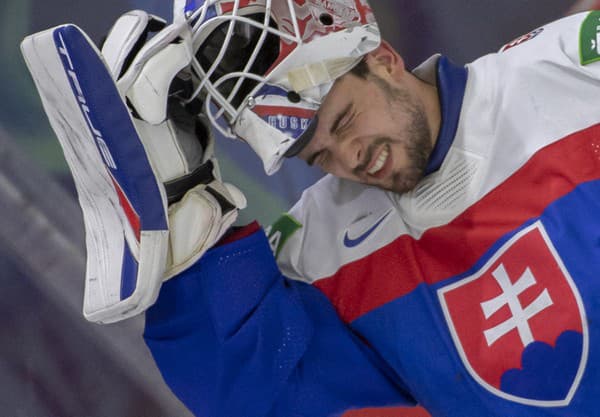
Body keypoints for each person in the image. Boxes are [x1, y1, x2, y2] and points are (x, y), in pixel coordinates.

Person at [139, 0, 600, 415]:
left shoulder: (571, 67)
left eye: (345, 120)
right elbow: (256, 398)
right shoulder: (314, 254)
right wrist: (186, 233)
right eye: (319, 157)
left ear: (384, 60)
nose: (349, 158)